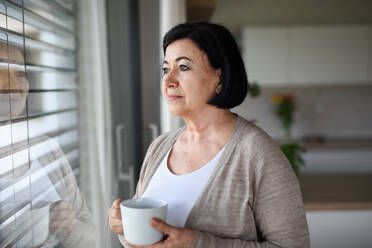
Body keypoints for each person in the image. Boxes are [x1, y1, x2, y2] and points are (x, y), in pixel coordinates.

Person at [108, 22, 310, 248]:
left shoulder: (257, 152)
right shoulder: (160, 147)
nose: (168, 80)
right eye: (166, 69)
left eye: (183, 67)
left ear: (220, 78)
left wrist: (197, 244)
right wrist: (126, 228)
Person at [0, 42, 95, 247]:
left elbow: (92, 235)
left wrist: (69, 228)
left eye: (20, 73)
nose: (14, 84)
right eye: (1, 71)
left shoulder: (47, 149)